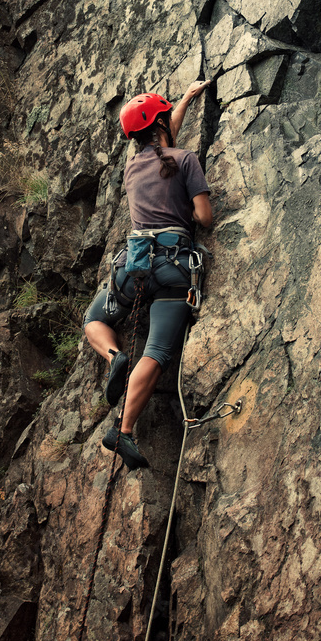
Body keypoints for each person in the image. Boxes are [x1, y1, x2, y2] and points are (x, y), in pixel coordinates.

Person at [83, 82, 213, 469]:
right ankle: (120, 431)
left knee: (94, 320)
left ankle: (115, 357)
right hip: (174, 269)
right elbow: (205, 217)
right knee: (156, 352)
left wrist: (185, 100)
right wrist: (186, 214)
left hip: (133, 267)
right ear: (161, 125)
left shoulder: (130, 170)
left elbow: (160, 138)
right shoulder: (186, 159)